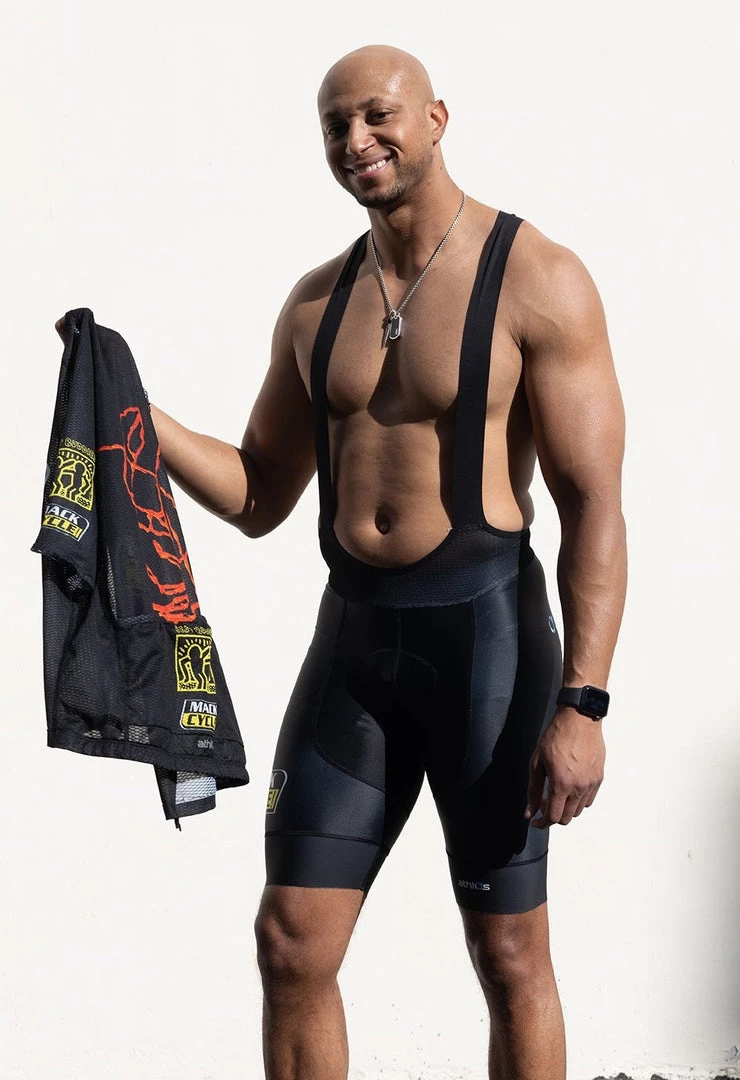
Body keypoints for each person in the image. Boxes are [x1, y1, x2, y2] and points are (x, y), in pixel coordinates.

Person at [147, 43, 626, 1080]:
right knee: (290, 943)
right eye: (335, 125)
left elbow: (592, 507)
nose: (356, 140)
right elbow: (258, 493)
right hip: (354, 648)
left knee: (509, 955)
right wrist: (135, 413)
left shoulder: (537, 279)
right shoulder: (316, 303)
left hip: (488, 646)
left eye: (377, 114)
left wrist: (582, 705)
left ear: (436, 118)